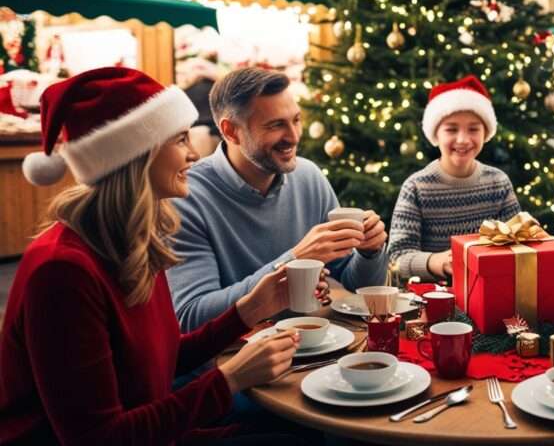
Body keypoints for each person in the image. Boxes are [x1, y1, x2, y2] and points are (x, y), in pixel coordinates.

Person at [3, 67, 327, 446]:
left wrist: (248, 310)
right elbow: (98, 440)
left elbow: (161, 359)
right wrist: (229, 380)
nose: (193, 153)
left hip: (160, 433)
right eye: (179, 140)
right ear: (135, 157)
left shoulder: (134, 241)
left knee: (310, 435)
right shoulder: (63, 272)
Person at [168, 68, 387, 331]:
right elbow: (191, 317)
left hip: (313, 346)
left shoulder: (309, 177)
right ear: (231, 131)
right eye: (276, 125)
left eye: (296, 120)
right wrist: (292, 261)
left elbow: (356, 283)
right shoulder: (185, 198)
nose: (294, 137)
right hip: (234, 361)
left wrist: (370, 252)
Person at [388, 75, 521, 283]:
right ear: (436, 134)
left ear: (485, 132)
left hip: (489, 291)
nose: (463, 139)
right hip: (431, 299)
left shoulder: (498, 183)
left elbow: (518, 243)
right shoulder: (416, 187)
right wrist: (435, 261)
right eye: (451, 129)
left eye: (473, 129)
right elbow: (396, 257)